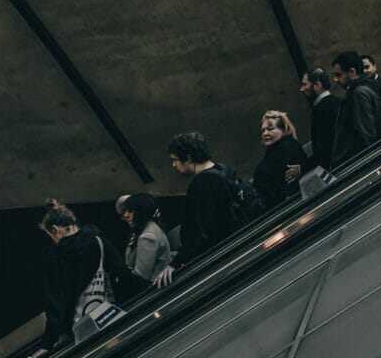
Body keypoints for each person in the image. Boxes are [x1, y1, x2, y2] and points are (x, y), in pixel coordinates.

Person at [20, 200, 126, 358]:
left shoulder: (55, 257)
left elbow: (56, 304)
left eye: (50, 234)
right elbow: (124, 274)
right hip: (108, 317)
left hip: (77, 330)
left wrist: (47, 345)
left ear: (55, 229)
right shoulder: (99, 242)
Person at [154, 132, 239, 288]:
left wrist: (175, 263)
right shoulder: (222, 170)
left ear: (188, 158)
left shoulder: (203, 182)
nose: (174, 165)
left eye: (175, 160)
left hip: (214, 259)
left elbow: (201, 231)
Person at [330, 51, 381, 168]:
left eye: (338, 75)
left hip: (359, 164)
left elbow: (367, 134)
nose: (335, 80)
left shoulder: (359, 93)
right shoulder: (368, 87)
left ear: (352, 72)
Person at [285, 68, 339, 186]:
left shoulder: (319, 110)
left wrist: (302, 168)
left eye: (304, 84)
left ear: (317, 85)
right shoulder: (337, 101)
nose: (301, 89)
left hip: (333, 170)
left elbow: (323, 151)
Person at [253, 111, 308, 209]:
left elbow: (290, 186)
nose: (265, 133)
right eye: (263, 130)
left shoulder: (287, 149)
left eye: (270, 129)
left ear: (283, 130)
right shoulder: (275, 150)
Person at [120, 193, 172, 284]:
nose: (125, 215)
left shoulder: (147, 236)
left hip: (151, 292)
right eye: (125, 210)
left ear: (141, 212)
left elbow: (140, 277)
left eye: (130, 211)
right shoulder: (151, 227)